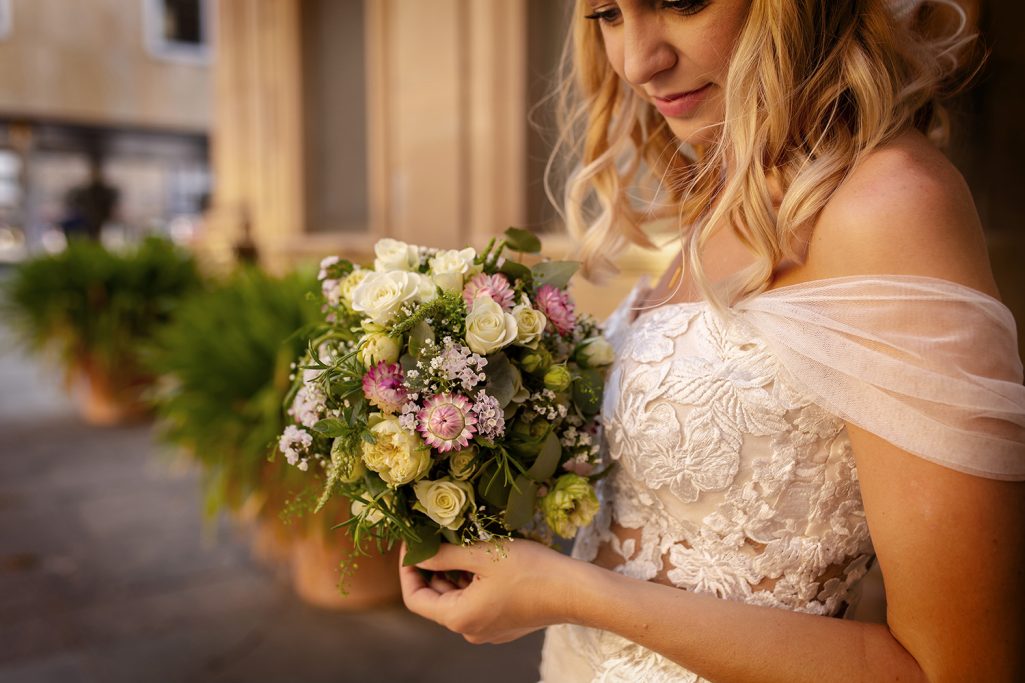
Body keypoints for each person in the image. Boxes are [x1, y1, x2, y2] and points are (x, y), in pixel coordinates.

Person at [399, 1, 1025, 680]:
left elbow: (960, 669)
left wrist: (565, 592)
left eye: (680, 1)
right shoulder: (725, 196)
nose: (638, 61)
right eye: (606, 13)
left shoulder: (891, 208)